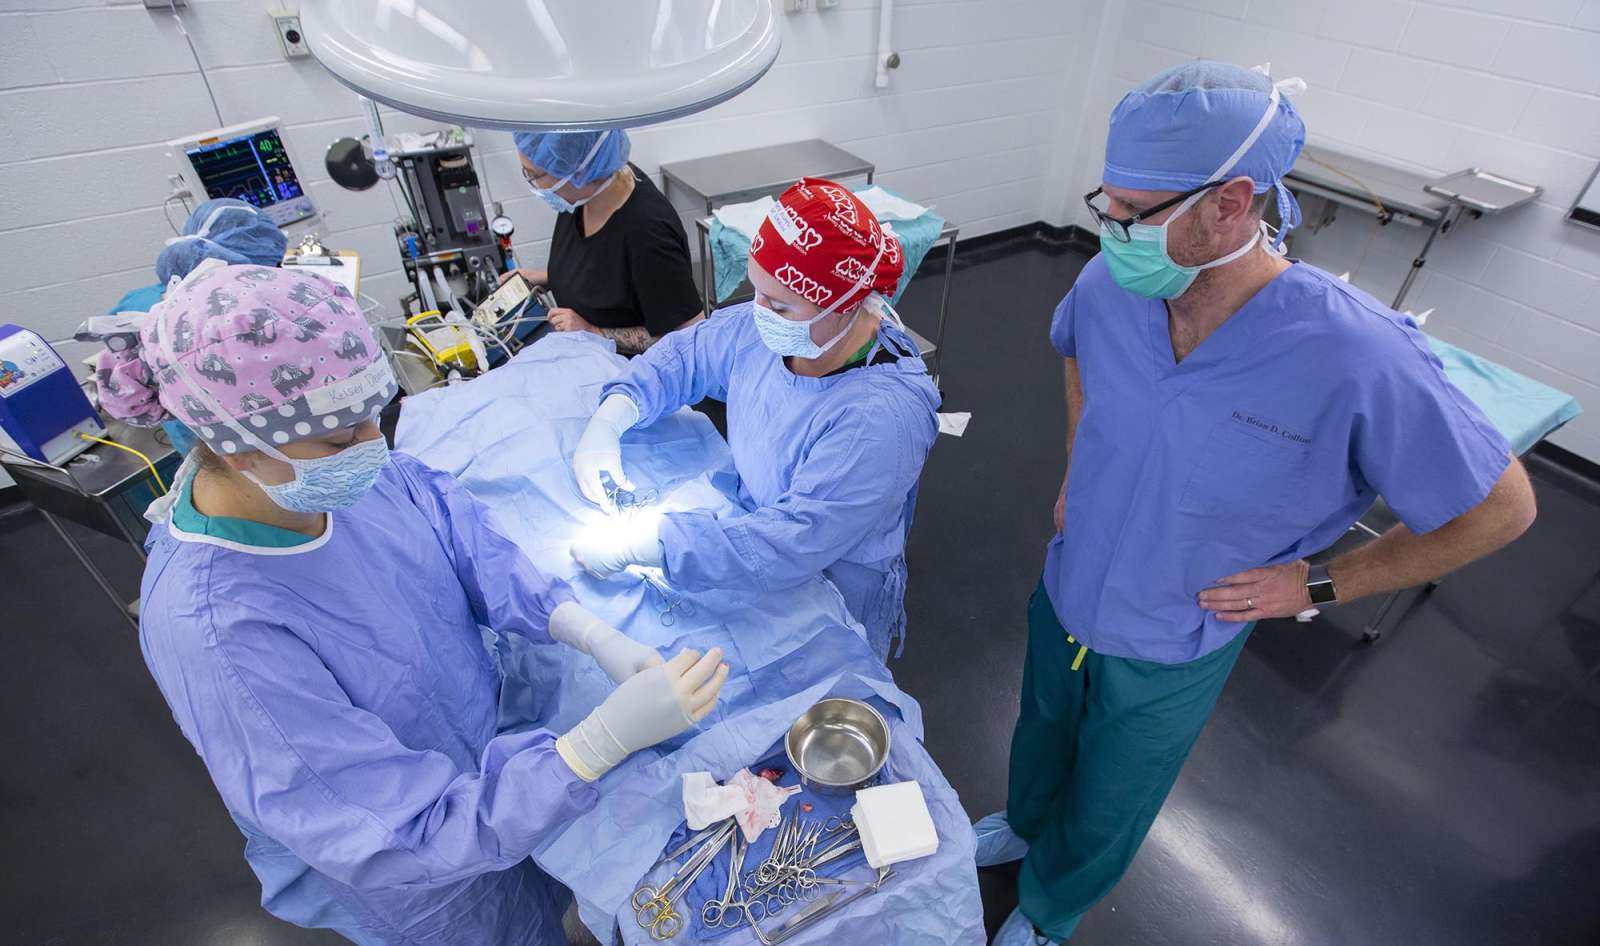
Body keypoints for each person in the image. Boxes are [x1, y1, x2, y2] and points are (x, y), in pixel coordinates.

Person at [982, 62, 1539, 945]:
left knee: (1117, 785)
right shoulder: (1110, 287)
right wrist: (1077, 462)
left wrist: (1317, 587)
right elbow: (1076, 351)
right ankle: (1022, 823)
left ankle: (1050, 908)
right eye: (1107, 206)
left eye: (1137, 214)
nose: (1113, 232)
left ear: (1231, 202)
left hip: (1179, 625)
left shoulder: (1353, 355)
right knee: (1044, 723)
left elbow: (1501, 508)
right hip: (1072, 579)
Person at [94, 260, 728, 945]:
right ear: (238, 448)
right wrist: (593, 746)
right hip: (427, 881)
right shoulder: (218, 631)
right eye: (341, 438)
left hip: (494, 770)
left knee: (549, 893)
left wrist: (582, 629)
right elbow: (393, 832)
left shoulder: (349, 473)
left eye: (375, 417)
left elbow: (461, 538)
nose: (373, 447)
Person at [566, 179, 940, 662]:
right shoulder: (773, 328)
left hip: (828, 582)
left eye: (780, 305)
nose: (758, 312)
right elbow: (690, 354)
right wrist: (615, 414)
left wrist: (658, 544)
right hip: (753, 531)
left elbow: (792, 540)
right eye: (757, 291)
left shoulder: (879, 420)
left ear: (845, 305)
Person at [95, 198, 289, 453]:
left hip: (200, 445)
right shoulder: (247, 314)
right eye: (275, 265)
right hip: (266, 445)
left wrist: (177, 406)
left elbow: (121, 395)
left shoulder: (137, 302)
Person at [502, 129, 703, 354]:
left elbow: (689, 333)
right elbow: (606, 274)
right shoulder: (582, 196)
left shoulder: (647, 231)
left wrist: (594, 332)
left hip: (636, 378)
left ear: (576, 172)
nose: (532, 184)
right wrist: (543, 279)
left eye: (533, 175)